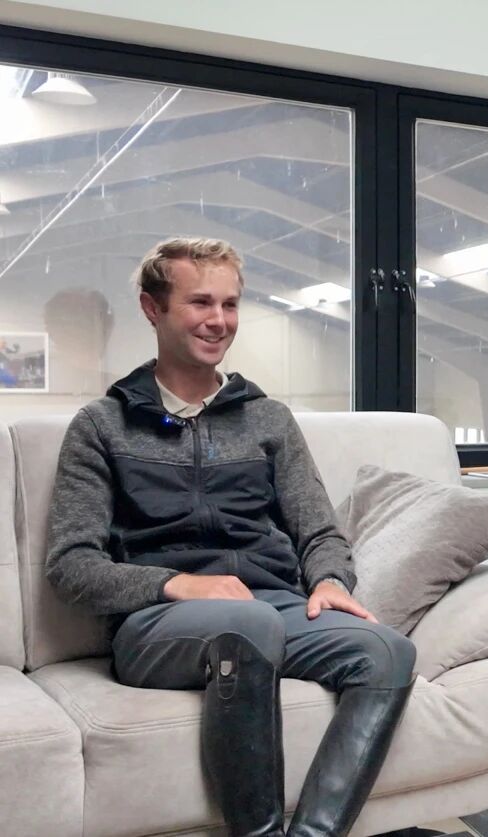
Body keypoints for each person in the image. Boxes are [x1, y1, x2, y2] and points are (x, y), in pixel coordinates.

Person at [45, 237, 417, 837]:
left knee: (387, 651)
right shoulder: (102, 425)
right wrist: (179, 584)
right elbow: (71, 565)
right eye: (200, 302)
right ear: (152, 308)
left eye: (230, 304)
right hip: (159, 625)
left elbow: (320, 530)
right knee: (248, 624)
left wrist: (329, 580)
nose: (218, 320)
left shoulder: (268, 419)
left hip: (272, 607)